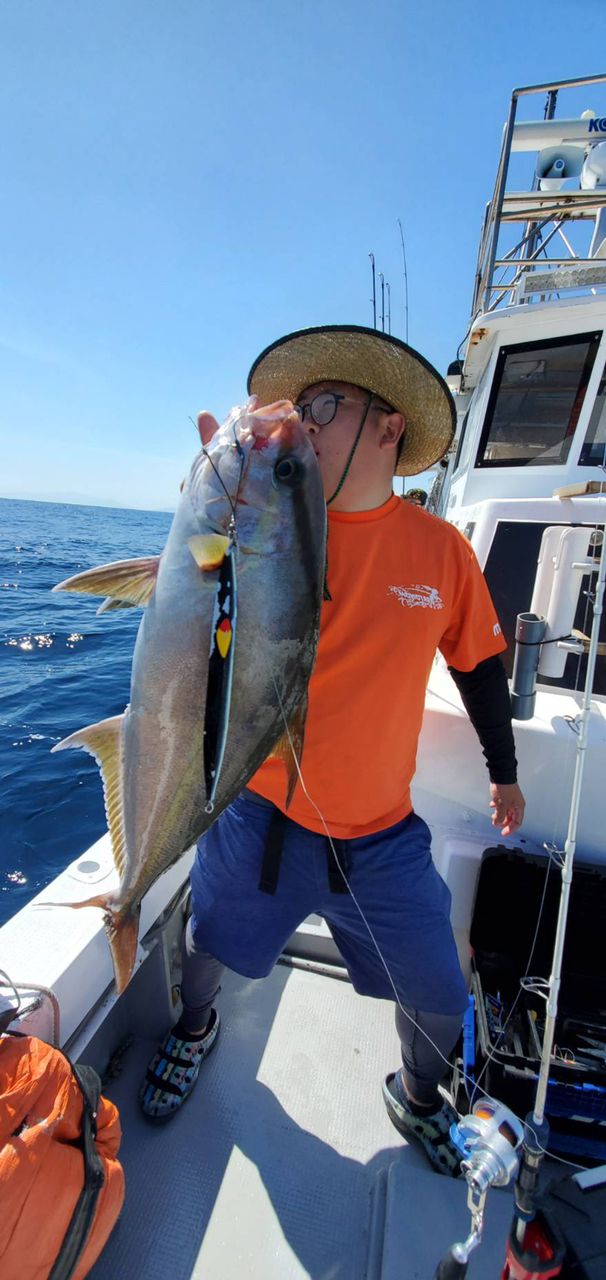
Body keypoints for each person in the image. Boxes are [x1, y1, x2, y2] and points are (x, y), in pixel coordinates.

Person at [139, 325, 525, 1176]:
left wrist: (505, 770)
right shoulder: (260, 519)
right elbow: (194, 590)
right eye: (301, 408)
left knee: (438, 990)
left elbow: (480, 666)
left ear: (390, 429)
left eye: (324, 406)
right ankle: (195, 1028)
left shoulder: (443, 554)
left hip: (382, 838)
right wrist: (206, 501)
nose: (303, 424)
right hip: (261, 810)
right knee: (208, 943)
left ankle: (418, 1096)